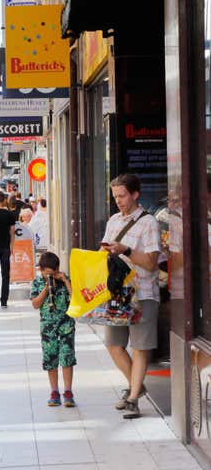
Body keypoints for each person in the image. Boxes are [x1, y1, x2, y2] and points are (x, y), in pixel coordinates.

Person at [100, 173, 161, 419]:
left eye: (122, 195)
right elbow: (103, 253)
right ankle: (138, 385)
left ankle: (134, 397)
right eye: (115, 196)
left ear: (135, 194)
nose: (118, 200)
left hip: (142, 292)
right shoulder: (114, 220)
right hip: (117, 294)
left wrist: (126, 249)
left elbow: (150, 262)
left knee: (140, 347)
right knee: (113, 345)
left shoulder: (149, 223)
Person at [30, 252, 76, 407]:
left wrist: (64, 280)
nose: (50, 276)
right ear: (41, 270)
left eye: (53, 273)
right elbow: (35, 304)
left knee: (67, 357)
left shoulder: (65, 280)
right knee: (51, 359)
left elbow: (76, 299)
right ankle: (54, 391)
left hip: (66, 324)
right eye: (46, 273)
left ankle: (68, 391)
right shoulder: (37, 283)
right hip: (48, 326)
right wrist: (46, 288)